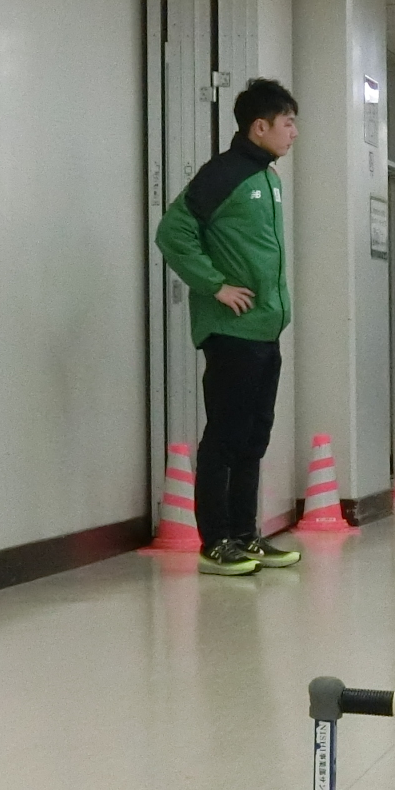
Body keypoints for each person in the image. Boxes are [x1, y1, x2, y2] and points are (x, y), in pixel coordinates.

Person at [153, 78, 303, 576]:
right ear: (259, 126)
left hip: (265, 330)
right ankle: (214, 542)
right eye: (287, 123)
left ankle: (244, 535)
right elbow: (172, 231)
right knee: (225, 436)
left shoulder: (269, 179)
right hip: (232, 332)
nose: (293, 133)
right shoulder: (224, 173)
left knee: (254, 437)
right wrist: (214, 285)